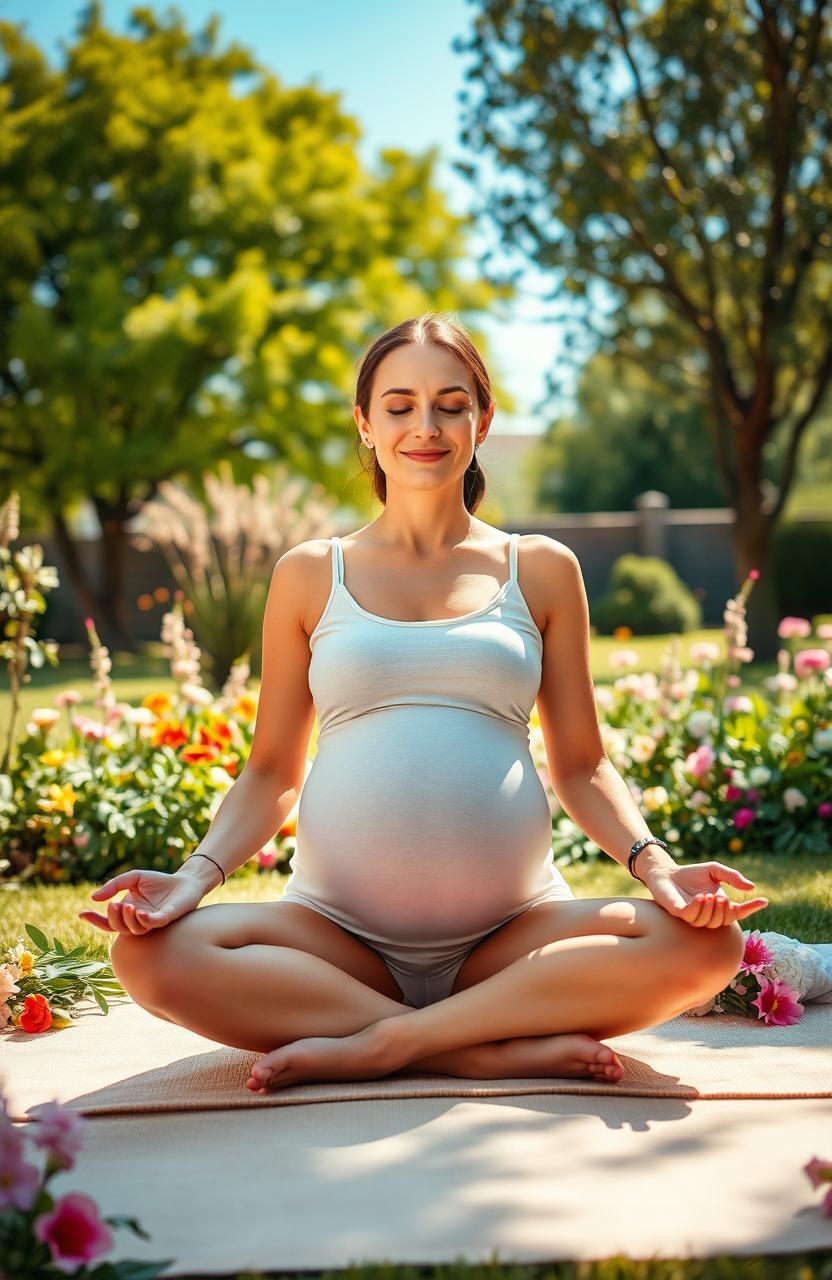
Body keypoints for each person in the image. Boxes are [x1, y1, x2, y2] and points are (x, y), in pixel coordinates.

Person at [80, 312, 769, 1094]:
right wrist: (193, 877)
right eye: (400, 405)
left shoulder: (540, 569)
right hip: (335, 938)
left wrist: (659, 869)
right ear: (366, 426)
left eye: (450, 403)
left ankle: (380, 1045)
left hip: (512, 938)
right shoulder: (310, 574)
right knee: (147, 953)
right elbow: (272, 769)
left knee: (707, 949)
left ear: (483, 419)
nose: (426, 426)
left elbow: (583, 766)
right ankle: (474, 1048)